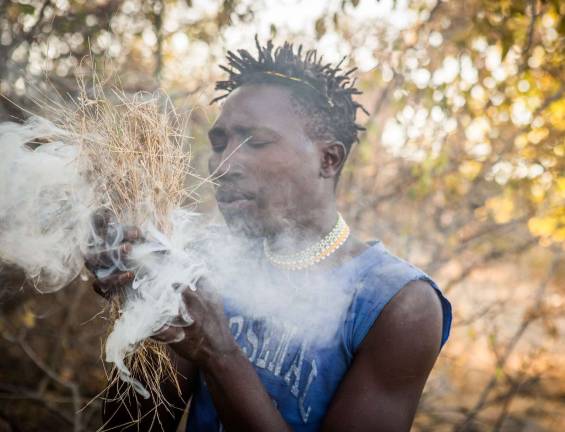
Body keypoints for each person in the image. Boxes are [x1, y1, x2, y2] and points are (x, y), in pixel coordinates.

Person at [88, 39, 452, 432]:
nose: (222, 166)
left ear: (328, 159)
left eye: (256, 142)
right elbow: (132, 425)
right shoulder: (206, 260)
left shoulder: (399, 305)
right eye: (218, 143)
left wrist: (219, 351)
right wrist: (142, 305)